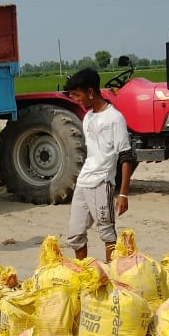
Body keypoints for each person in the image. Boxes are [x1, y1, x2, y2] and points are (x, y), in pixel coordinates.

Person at [63, 68, 134, 261]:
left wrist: (123, 194)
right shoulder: (88, 117)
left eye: (78, 95)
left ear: (90, 92)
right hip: (83, 182)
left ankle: (112, 272)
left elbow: (126, 157)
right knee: (75, 234)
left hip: (102, 184)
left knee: (107, 233)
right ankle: (83, 272)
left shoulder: (115, 118)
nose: (76, 99)